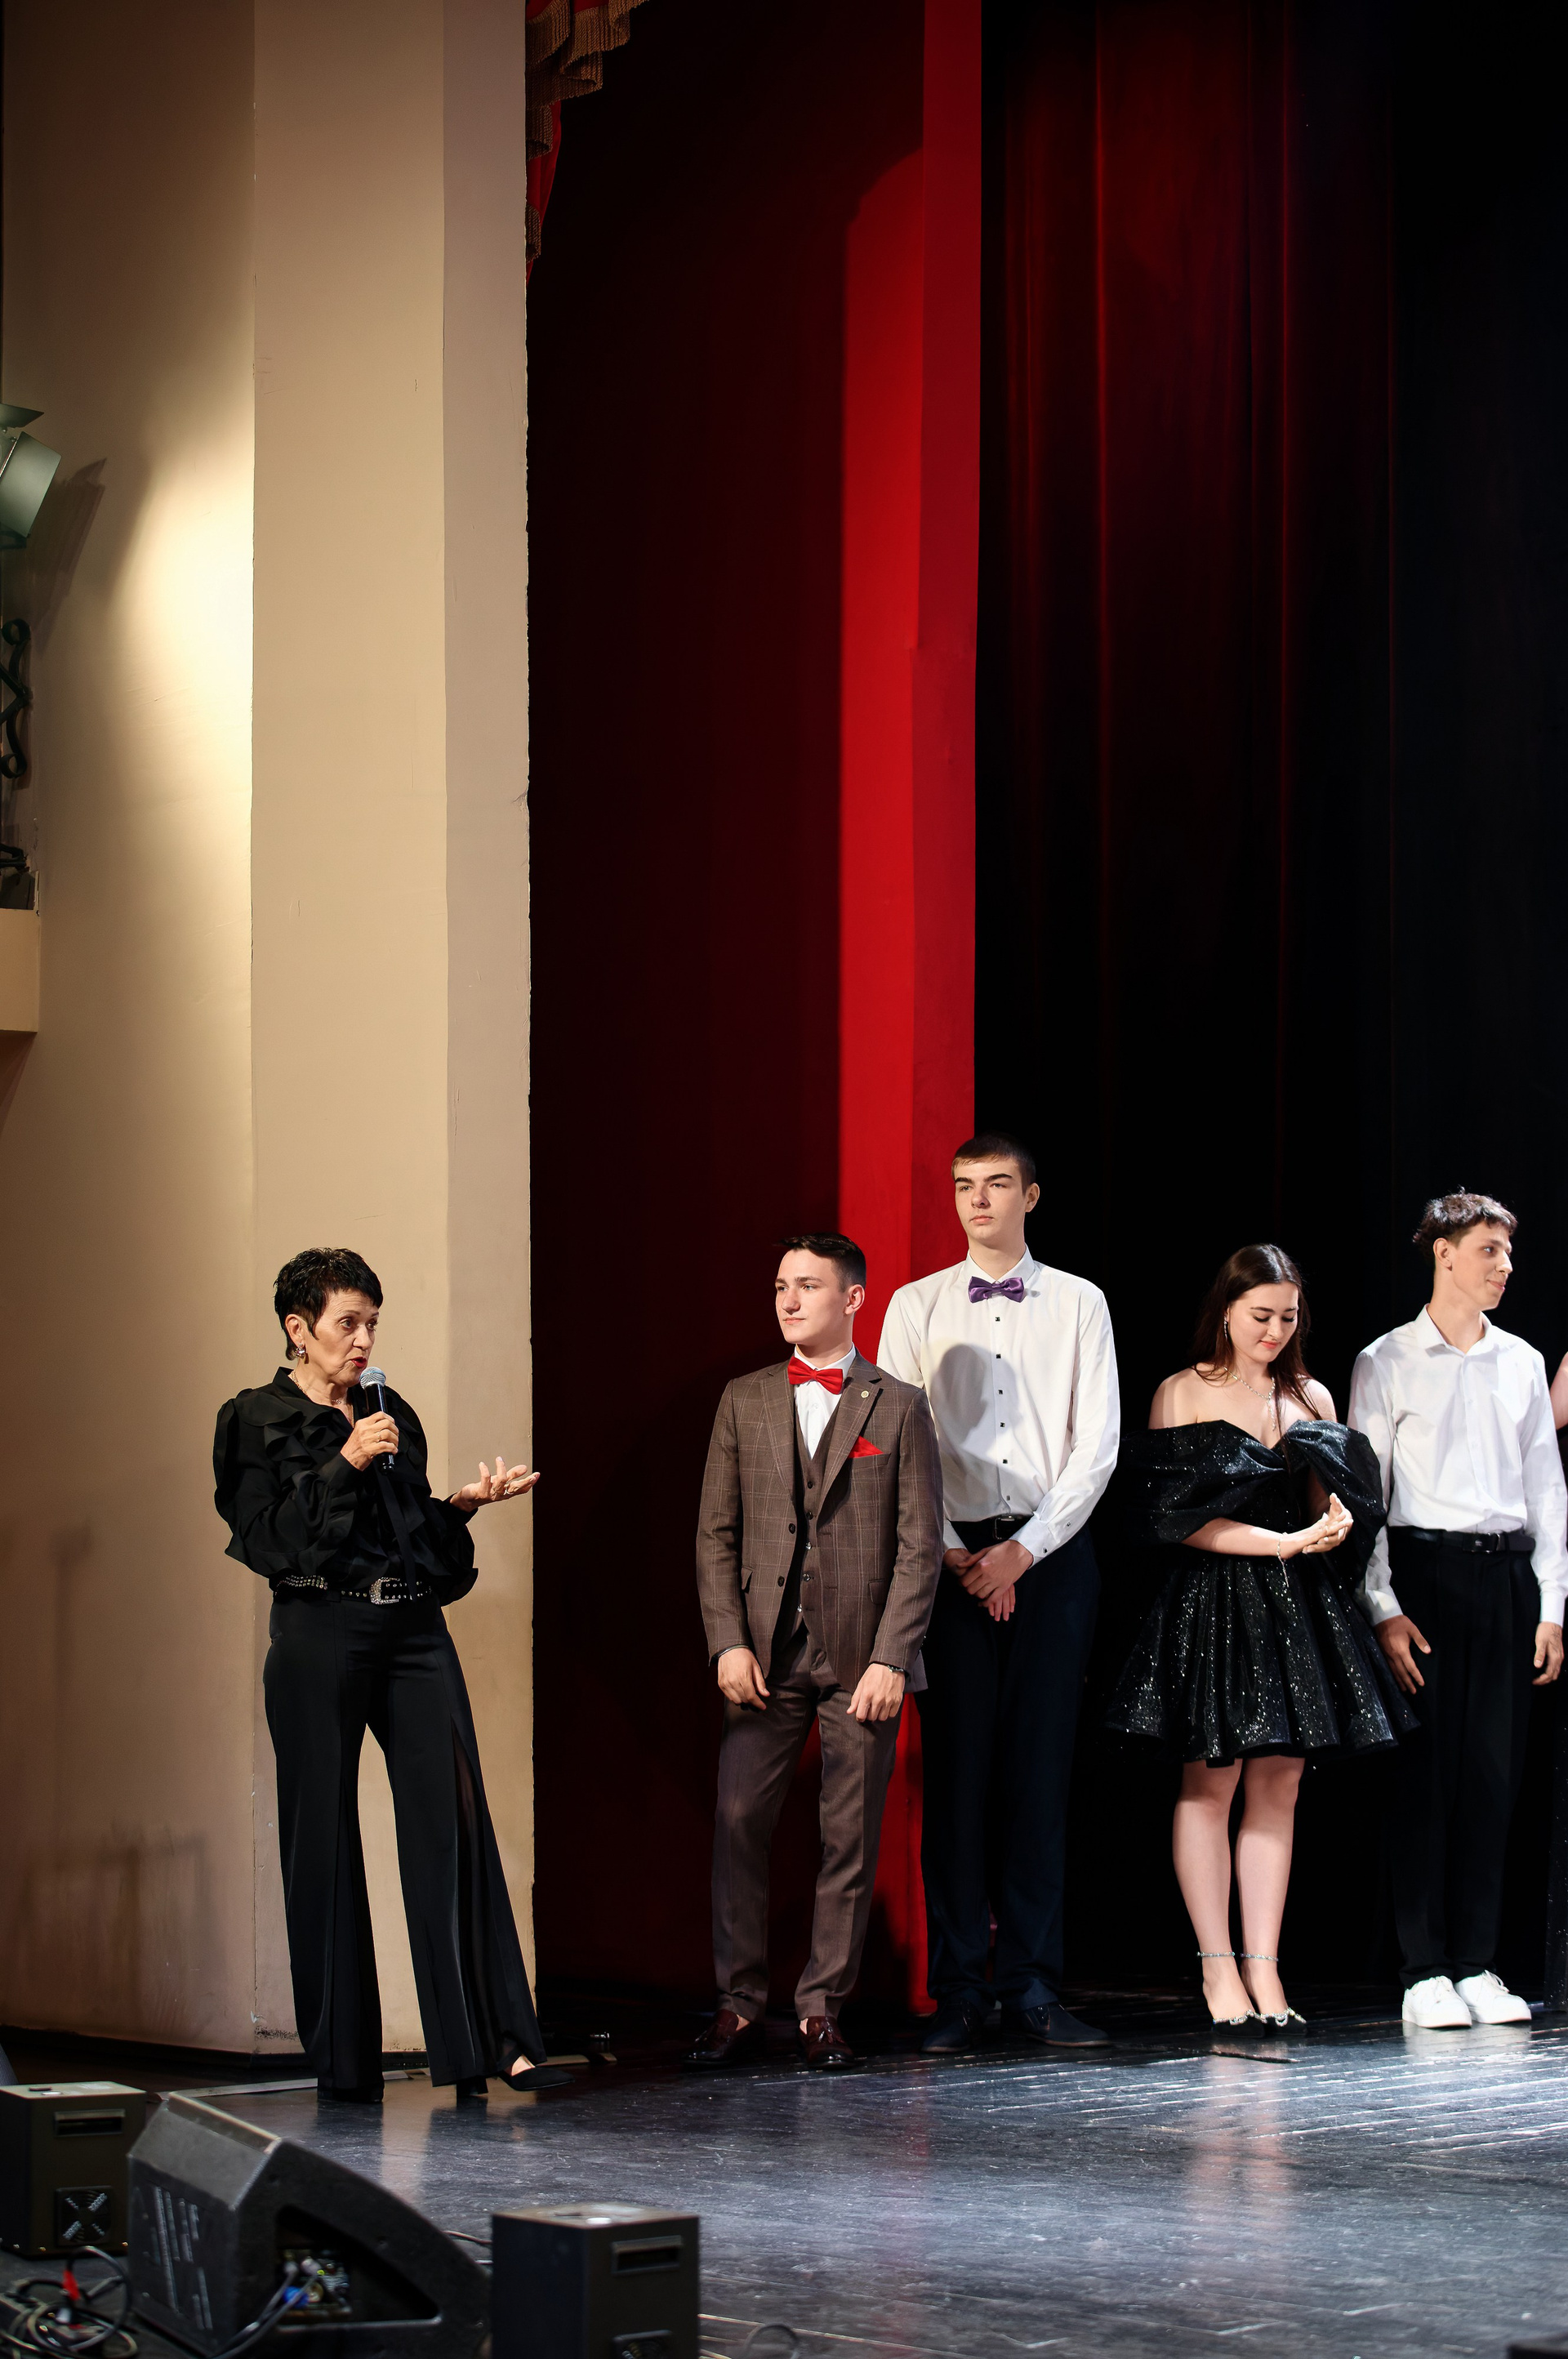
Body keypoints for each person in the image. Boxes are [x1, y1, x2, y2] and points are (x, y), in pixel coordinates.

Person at [214, 1247, 545, 2103]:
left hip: (413, 1628)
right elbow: (270, 1540)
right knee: (321, 1842)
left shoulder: (389, 1412)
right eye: (347, 1323)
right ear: (299, 1328)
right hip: (318, 1629)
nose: (363, 1341)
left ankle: (490, 2041)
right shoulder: (254, 1418)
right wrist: (347, 1460)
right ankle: (346, 2063)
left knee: (453, 1824)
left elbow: (408, 1537)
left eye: (372, 1324)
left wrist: (460, 1508)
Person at [1107, 1245, 1414, 2028]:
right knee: (1210, 1785)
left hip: (1296, 1603)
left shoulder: (1310, 1394)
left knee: (1281, 1788)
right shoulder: (1181, 1390)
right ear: (1226, 1312)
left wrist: (1334, 1522)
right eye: (1260, 1316)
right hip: (1213, 1600)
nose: (1274, 1332)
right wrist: (1284, 1542)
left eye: (1287, 1318)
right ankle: (1218, 1971)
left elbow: (1327, 1503)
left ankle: (1266, 1972)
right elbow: (1176, 1521)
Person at [877, 1134, 1119, 2052]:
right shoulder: (915, 1304)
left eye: (996, 1184)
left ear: (1031, 1196)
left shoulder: (1081, 1301)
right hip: (946, 1564)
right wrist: (957, 1554)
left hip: (1049, 1557)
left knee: (1039, 1777)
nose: (978, 1200)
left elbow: (1096, 1443)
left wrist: (1022, 1551)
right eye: (964, 1186)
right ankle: (958, 1991)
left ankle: (1033, 1985)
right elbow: (897, 1438)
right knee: (957, 1779)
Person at [688, 1233, 943, 2071]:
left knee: (850, 1836)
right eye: (780, 1286)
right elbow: (716, 1534)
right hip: (764, 1651)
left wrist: (891, 1657)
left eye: (806, 1285)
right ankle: (737, 2004)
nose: (789, 1300)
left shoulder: (899, 1405)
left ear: (853, 1298)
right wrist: (727, 1640)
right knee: (738, 1821)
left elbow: (918, 1546)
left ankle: (821, 2007)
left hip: (861, 1657)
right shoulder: (744, 1398)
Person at [1350, 1192, 1566, 2030]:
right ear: (1443, 1252)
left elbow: (1546, 1489)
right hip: (1425, 1576)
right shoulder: (1386, 1360)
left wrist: (1551, 1605)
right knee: (1424, 1777)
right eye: (1488, 1249)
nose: (1504, 1265)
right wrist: (1383, 1605)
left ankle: (1477, 1962)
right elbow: (1369, 1495)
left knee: (1491, 1776)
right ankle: (1424, 1968)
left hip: (1506, 1577)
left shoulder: (1521, 1359)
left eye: (1507, 1251)